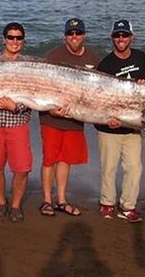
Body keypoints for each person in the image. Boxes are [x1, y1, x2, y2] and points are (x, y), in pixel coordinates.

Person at [37, 17, 99, 217]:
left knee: (66, 160)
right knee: (49, 160)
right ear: (65, 36)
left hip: (75, 119)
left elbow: (100, 91)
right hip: (51, 119)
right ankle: (47, 200)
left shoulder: (93, 58)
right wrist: (49, 109)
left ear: (84, 35)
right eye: (70, 33)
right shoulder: (52, 56)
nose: (74, 37)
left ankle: (61, 200)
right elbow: (38, 86)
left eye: (78, 33)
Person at [95, 19, 145, 223]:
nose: (121, 39)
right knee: (109, 168)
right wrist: (109, 119)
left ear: (131, 37)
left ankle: (128, 206)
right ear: (112, 39)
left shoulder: (140, 57)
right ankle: (107, 203)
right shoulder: (106, 64)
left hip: (132, 127)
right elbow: (99, 97)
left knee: (134, 168)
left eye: (124, 35)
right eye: (117, 36)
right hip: (109, 126)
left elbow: (140, 93)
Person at [0, 22, 33, 222]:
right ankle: (1, 202)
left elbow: (36, 92)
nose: (14, 41)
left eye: (18, 38)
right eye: (11, 37)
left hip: (18, 121)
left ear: (23, 41)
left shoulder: (30, 66)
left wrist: (17, 107)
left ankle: (16, 205)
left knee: (22, 167)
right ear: (4, 39)